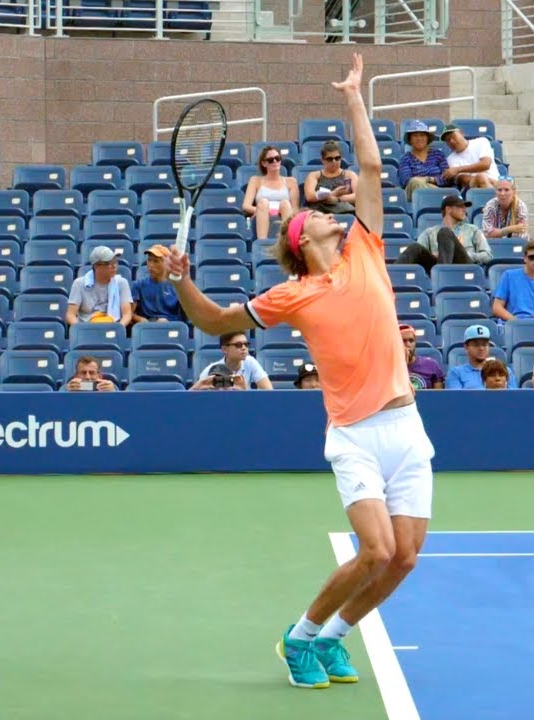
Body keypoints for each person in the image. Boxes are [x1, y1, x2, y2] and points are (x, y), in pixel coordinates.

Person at [163, 54, 433, 691]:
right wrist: (181, 281)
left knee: (406, 559)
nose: (329, 207)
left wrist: (355, 97)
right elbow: (212, 322)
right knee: (375, 551)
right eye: (316, 212)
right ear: (300, 235)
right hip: (356, 435)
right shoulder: (293, 293)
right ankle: (301, 637)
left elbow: (369, 165)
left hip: (407, 427)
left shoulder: (365, 245)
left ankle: (337, 640)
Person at [398, 195, 492, 270]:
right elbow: (419, 257)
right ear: (448, 209)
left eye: (465, 207)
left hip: (464, 267)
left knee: (445, 232)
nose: (464, 210)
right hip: (437, 267)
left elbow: (488, 255)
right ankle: (390, 282)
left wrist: (468, 254)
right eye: (460, 206)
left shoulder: (473, 230)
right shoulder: (429, 233)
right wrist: (438, 255)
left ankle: (444, 272)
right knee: (415, 248)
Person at [242, 146, 300, 240]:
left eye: (277, 158)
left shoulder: (291, 181)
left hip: (284, 211)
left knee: (285, 203)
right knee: (263, 203)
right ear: (264, 163)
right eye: (270, 160)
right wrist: (264, 210)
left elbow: (295, 208)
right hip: (262, 211)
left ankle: (287, 242)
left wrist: (276, 211)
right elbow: (246, 205)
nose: (275, 162)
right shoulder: (255, 180)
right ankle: (262, 242)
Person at [66, 246, 133, 326]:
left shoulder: (122, 283)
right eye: (109, 263)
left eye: (115, 262)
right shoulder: (79, 284)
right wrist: (81, 330)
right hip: (87, 327)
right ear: (96, 266)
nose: (114, 266)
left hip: (113, 327)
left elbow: (127, 314)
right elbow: (70, 315)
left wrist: (118, 328)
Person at [193, 331, 272, 390]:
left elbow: (269, 391)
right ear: (224, 349)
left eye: (246, 344)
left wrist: (245, 390)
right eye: (238, 345)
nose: (244, 348)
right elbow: (192, 398)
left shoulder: (250, 361)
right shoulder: (211, 370)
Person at [445, 324, 516, 389]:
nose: (481, 348)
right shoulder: (456, 373)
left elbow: (514, 398)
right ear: (466, 347)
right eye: (476, 345)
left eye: (484, 345)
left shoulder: (504, 371)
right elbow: (455, 400)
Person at [130, 244, 185, 325]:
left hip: (172, 327)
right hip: (147, 327)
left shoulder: (177, 286)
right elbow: (129, 313)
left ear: (166, 263)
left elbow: (188, 314)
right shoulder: (138, 285)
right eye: (149, 260)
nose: (151, 265)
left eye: (156, 261)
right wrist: (142, 320)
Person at [396, 120, 448, 198]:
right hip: (415, 196)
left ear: (428, 138)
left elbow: (447, 178)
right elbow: (407, 180)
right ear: (410, 140)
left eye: (422, 135)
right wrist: (430, 185)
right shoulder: (405, 159)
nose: (419, 138)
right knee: (415, 181)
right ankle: (435, 197)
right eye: (415, 136)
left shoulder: (438, 155)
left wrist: (428, 179)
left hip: (439, 189)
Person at [304, 140, 359, 214]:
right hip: (320, 213)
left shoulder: (350, 175)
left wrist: (338, 199)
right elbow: (310, 196)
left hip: (344, 212)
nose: (334, 162)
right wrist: (332, 193)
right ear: (323, 160)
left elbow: (358, 196)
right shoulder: (314, 175)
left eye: (337, 158)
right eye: (330, 159)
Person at [440, 124, 499, 190]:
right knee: (481, 178)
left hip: (496, 185)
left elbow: (485, 164)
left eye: (453, 136)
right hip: (473, 189)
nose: (451, 141)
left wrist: (457, 169)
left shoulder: (481, 142)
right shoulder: (450, 160)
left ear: (461, 133)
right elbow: (462, 179)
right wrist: (482, 180)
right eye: (447, 140)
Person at [481, 176, 529, 241]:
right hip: (494, 245)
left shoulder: (521, 207)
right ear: (495, 192)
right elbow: (487, 233)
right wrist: (509, 229)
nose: (502, 193)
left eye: (506, 190)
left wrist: (498, 233)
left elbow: (521, 235)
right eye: (499, 190)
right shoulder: (490, 206)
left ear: (514, 192)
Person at [401, 324, 445, 390]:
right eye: (403, 341)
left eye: (411, 341)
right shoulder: (389, 368)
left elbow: (438, 397)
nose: (408, 345)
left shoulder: (431, 365)